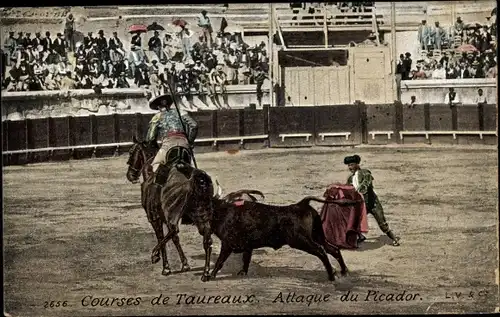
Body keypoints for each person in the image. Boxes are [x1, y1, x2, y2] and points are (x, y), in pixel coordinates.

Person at [344, 155, 400, 246]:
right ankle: (360, 236)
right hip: (363, 205)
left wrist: (356, 190)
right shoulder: (350, 179)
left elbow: (366, 186)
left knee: (382, 224)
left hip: (373, 203)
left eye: (352, 164)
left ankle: (394, 238)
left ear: (357, 164)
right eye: (349, 165)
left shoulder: (366, 173)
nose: (350, 167)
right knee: (353, 221)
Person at [146, 94, 198, 186]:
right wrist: (190, 142)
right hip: (184, 144)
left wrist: (155, 147)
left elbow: (150, 138)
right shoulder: (181, 112)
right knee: (191, 168)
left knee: (155, 166)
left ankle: (158, 189)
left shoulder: (157, 116)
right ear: (169, 104)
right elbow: (194, 125)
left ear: (158, 107)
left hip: (168, 145)